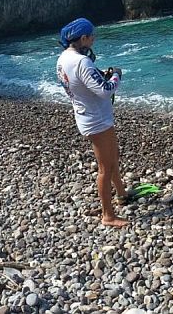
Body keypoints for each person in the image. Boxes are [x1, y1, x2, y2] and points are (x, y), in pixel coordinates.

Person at [56, 18, 128, 227]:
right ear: (83, 38)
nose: (94, 39)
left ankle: (121, 193)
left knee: (113, 157)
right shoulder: (81, 62)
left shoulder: (63, 59)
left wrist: (100, 76)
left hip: (86, 116)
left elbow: (80, 83)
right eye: (91, 36)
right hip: (96, 120)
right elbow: (105, 91)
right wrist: (116, 75)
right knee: (105, 167)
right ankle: (108, 215)